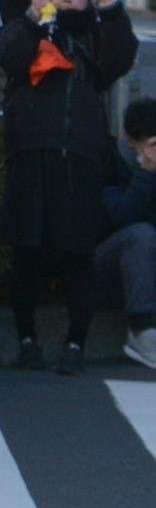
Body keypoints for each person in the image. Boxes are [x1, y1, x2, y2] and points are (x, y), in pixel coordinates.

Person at [0, 0, 136, 373]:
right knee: (25, 253)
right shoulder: (33, 27)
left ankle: (76, 343)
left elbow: (121, 56)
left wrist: (107, 3)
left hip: (80, 159)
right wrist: (33, 11)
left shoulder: (96, 35)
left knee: (80, 255)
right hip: (30, 155)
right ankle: (26, 340)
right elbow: (10, 56)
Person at [95, 97, 156, 370]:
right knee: (140, 235)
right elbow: (122, 216)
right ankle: (140, 333)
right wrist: (146, 172)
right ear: (132, 142)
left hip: (145, 273)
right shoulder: (110, 163)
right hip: (105, 266)